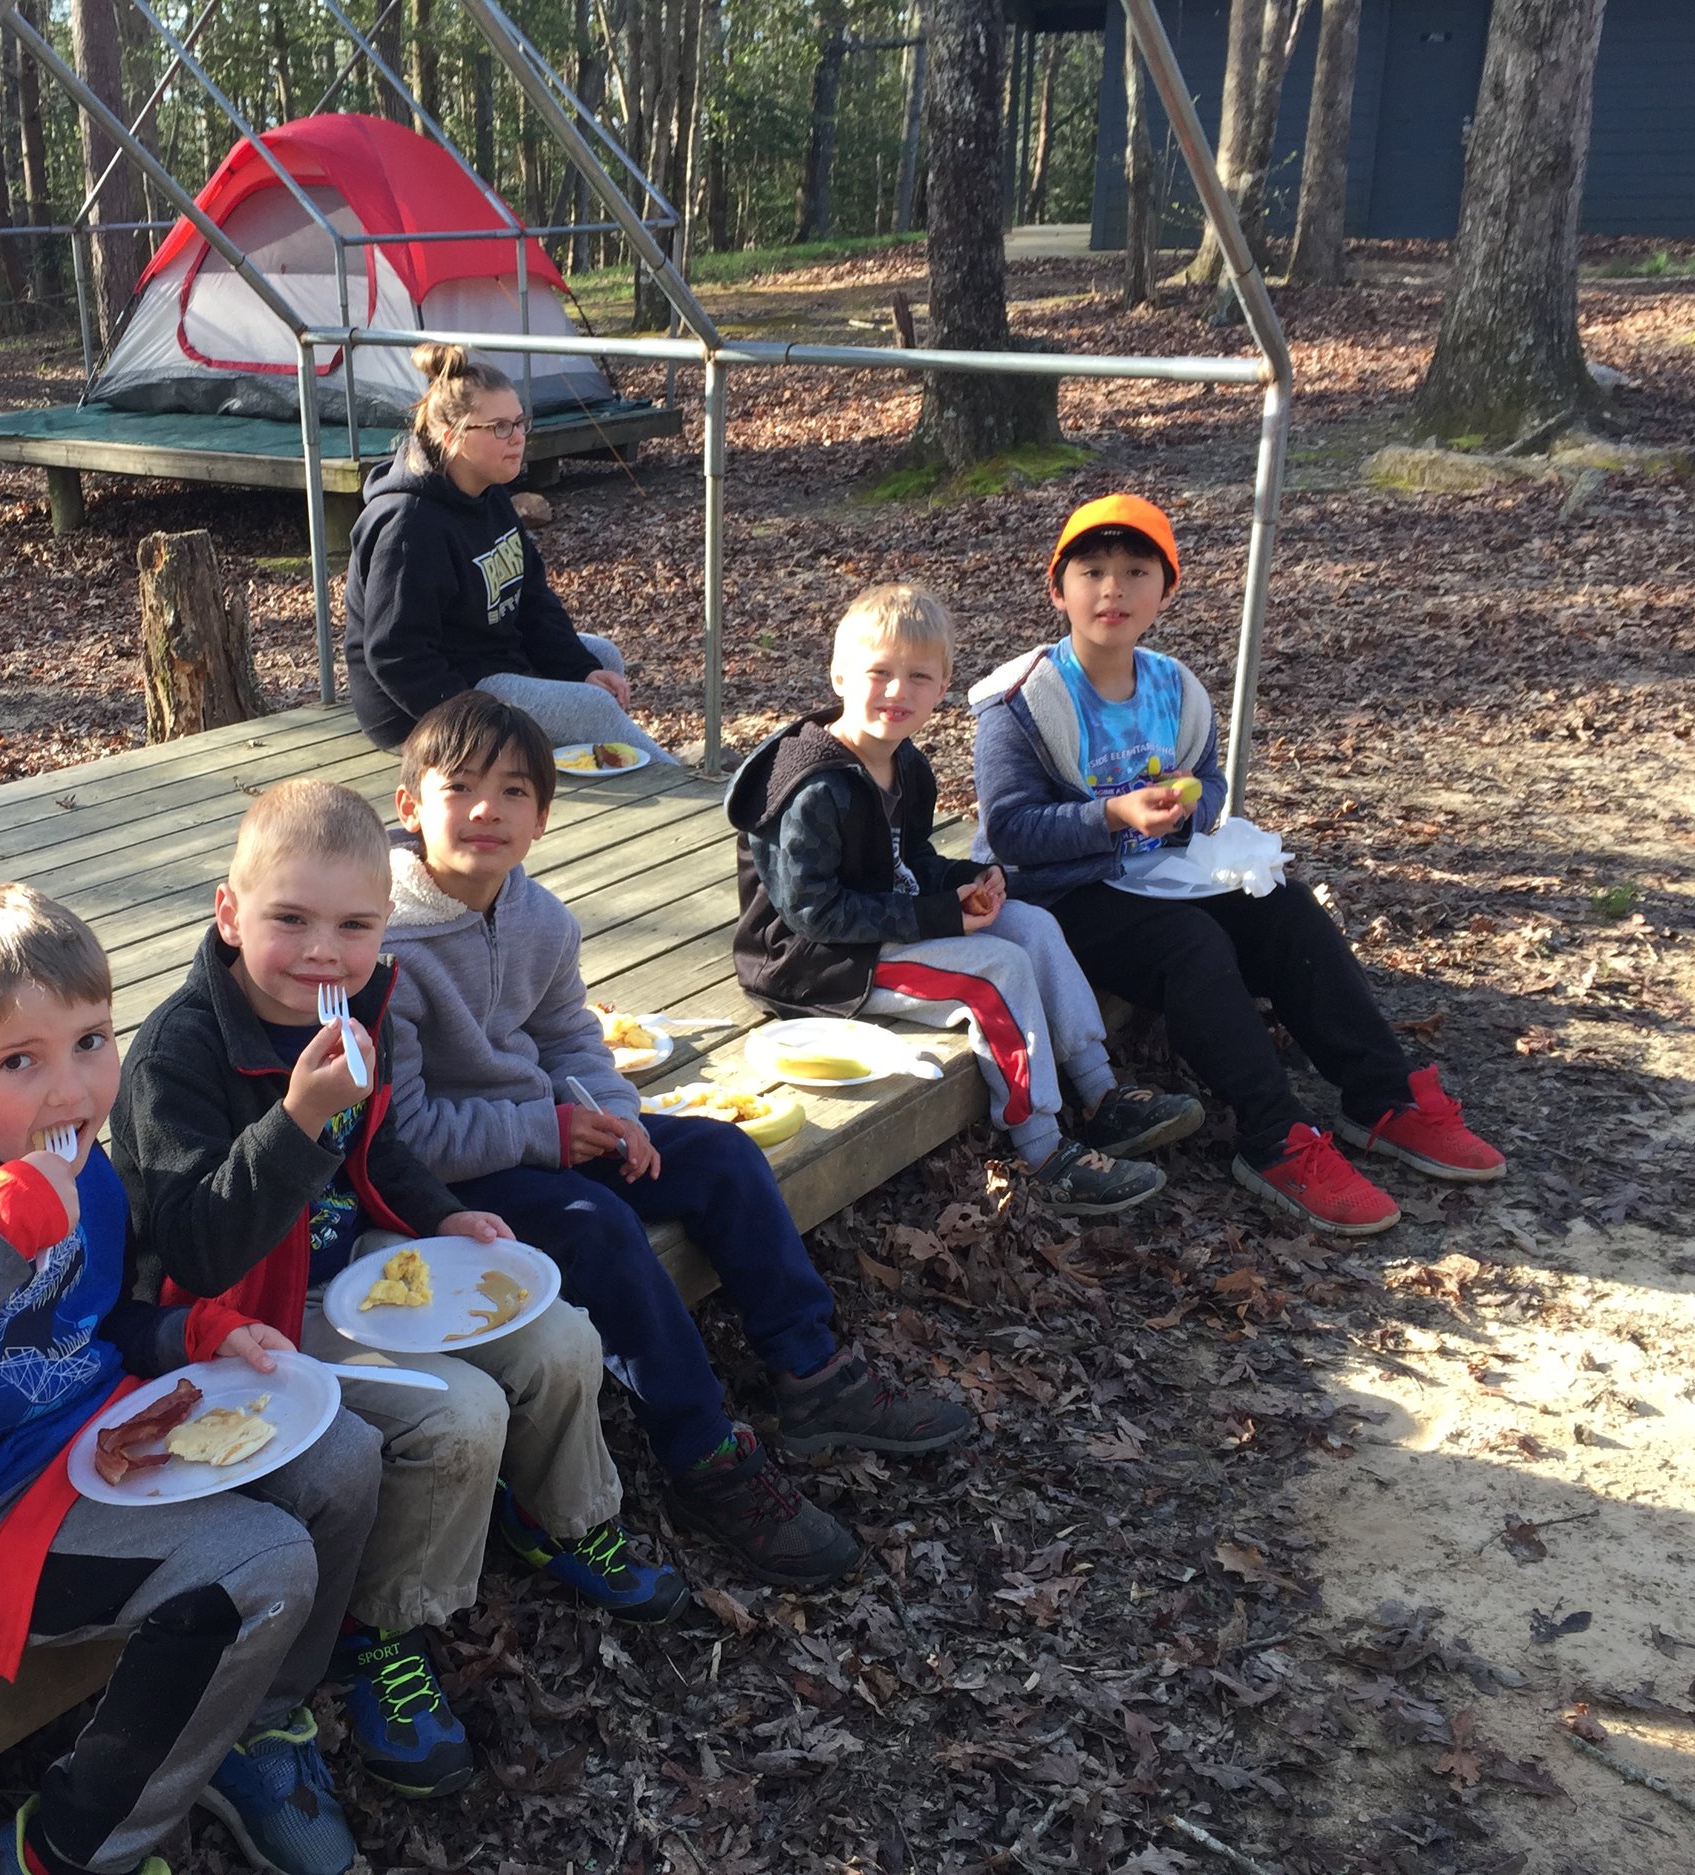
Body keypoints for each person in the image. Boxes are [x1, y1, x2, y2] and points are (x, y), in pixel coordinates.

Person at [0, 883, 374, 1875]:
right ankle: (63, 1850)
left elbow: (88, 1318)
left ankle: (253, 1728)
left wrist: (189, 1333)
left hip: (86, 1438)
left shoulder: (81, 1162)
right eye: (16, 1062)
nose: (69, 1092)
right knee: (256, 1562)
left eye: (90, 1040)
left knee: (343, 1454)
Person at [106, 779, 684, 1807]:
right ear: (228, 912)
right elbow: (194, 1249)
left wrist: (438, 1215)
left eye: (355, 926)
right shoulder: (176, 1058)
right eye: (289, 919)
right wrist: (291, 1122)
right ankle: (387, 1629)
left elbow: (384, 1142)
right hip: (248, 1315)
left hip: (360, 1259)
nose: (323, 952)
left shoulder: (363, 998)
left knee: (558, 1339)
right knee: (456, 1416)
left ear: (386, 923)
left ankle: (565, 1517)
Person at [380, 691, 977, 1594]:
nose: (484, 810)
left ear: (542, 817)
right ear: (409, 805)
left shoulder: (541, 916)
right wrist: (550, 1132)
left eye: (512, 792)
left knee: (721, 1156)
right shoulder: (385, 945)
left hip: (551, 1123)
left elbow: (570, 1037)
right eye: (458, 787)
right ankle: (702, 1451)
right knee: (600, 1230)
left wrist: (613, 1112)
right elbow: (408, 1134)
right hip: (456, 1176)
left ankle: (811, 1368)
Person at [972, 493, 1506, 1237]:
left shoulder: (1173, 686)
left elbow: (1209, 780)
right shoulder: (1022, 699)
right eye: (1090, 571)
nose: (1112, 590)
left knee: (1282, 909)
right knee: (1192, 944)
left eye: (1135, 571)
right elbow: (1010, 831)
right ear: (1057, 588)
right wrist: (1113, 814)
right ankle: (1274, 1136)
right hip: (1061, 898)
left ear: (1167, 588)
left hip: (1158, 872)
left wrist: (1190, 805)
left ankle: (1382, 1097)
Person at [725, 584, 1198, 1216]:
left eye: (918, 677)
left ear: (943, 687)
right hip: (814, 962)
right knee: (996, 973)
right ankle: (1043, 1147)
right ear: (839, 675)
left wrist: (966, 881)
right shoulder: (814, 784)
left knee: (1030, 925)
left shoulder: (907, 766)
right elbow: (812, 912)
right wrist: (941, 916)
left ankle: (1101, 1092)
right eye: (879, 673)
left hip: (874, 927)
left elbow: (908, 860)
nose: (897, 692)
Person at [341, 342, 674, 762]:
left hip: (488, 661)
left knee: (601, 657)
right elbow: (396, 656)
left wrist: (578, 669)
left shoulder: (488, 492)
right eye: (499, 427)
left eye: (520, 422)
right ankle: (679, 783)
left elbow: (531, 600)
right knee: (591, 706)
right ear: (452, 437)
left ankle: (578, 763)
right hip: (418, 711)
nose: (518, 438)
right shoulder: (408, 526)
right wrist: (473, 730)